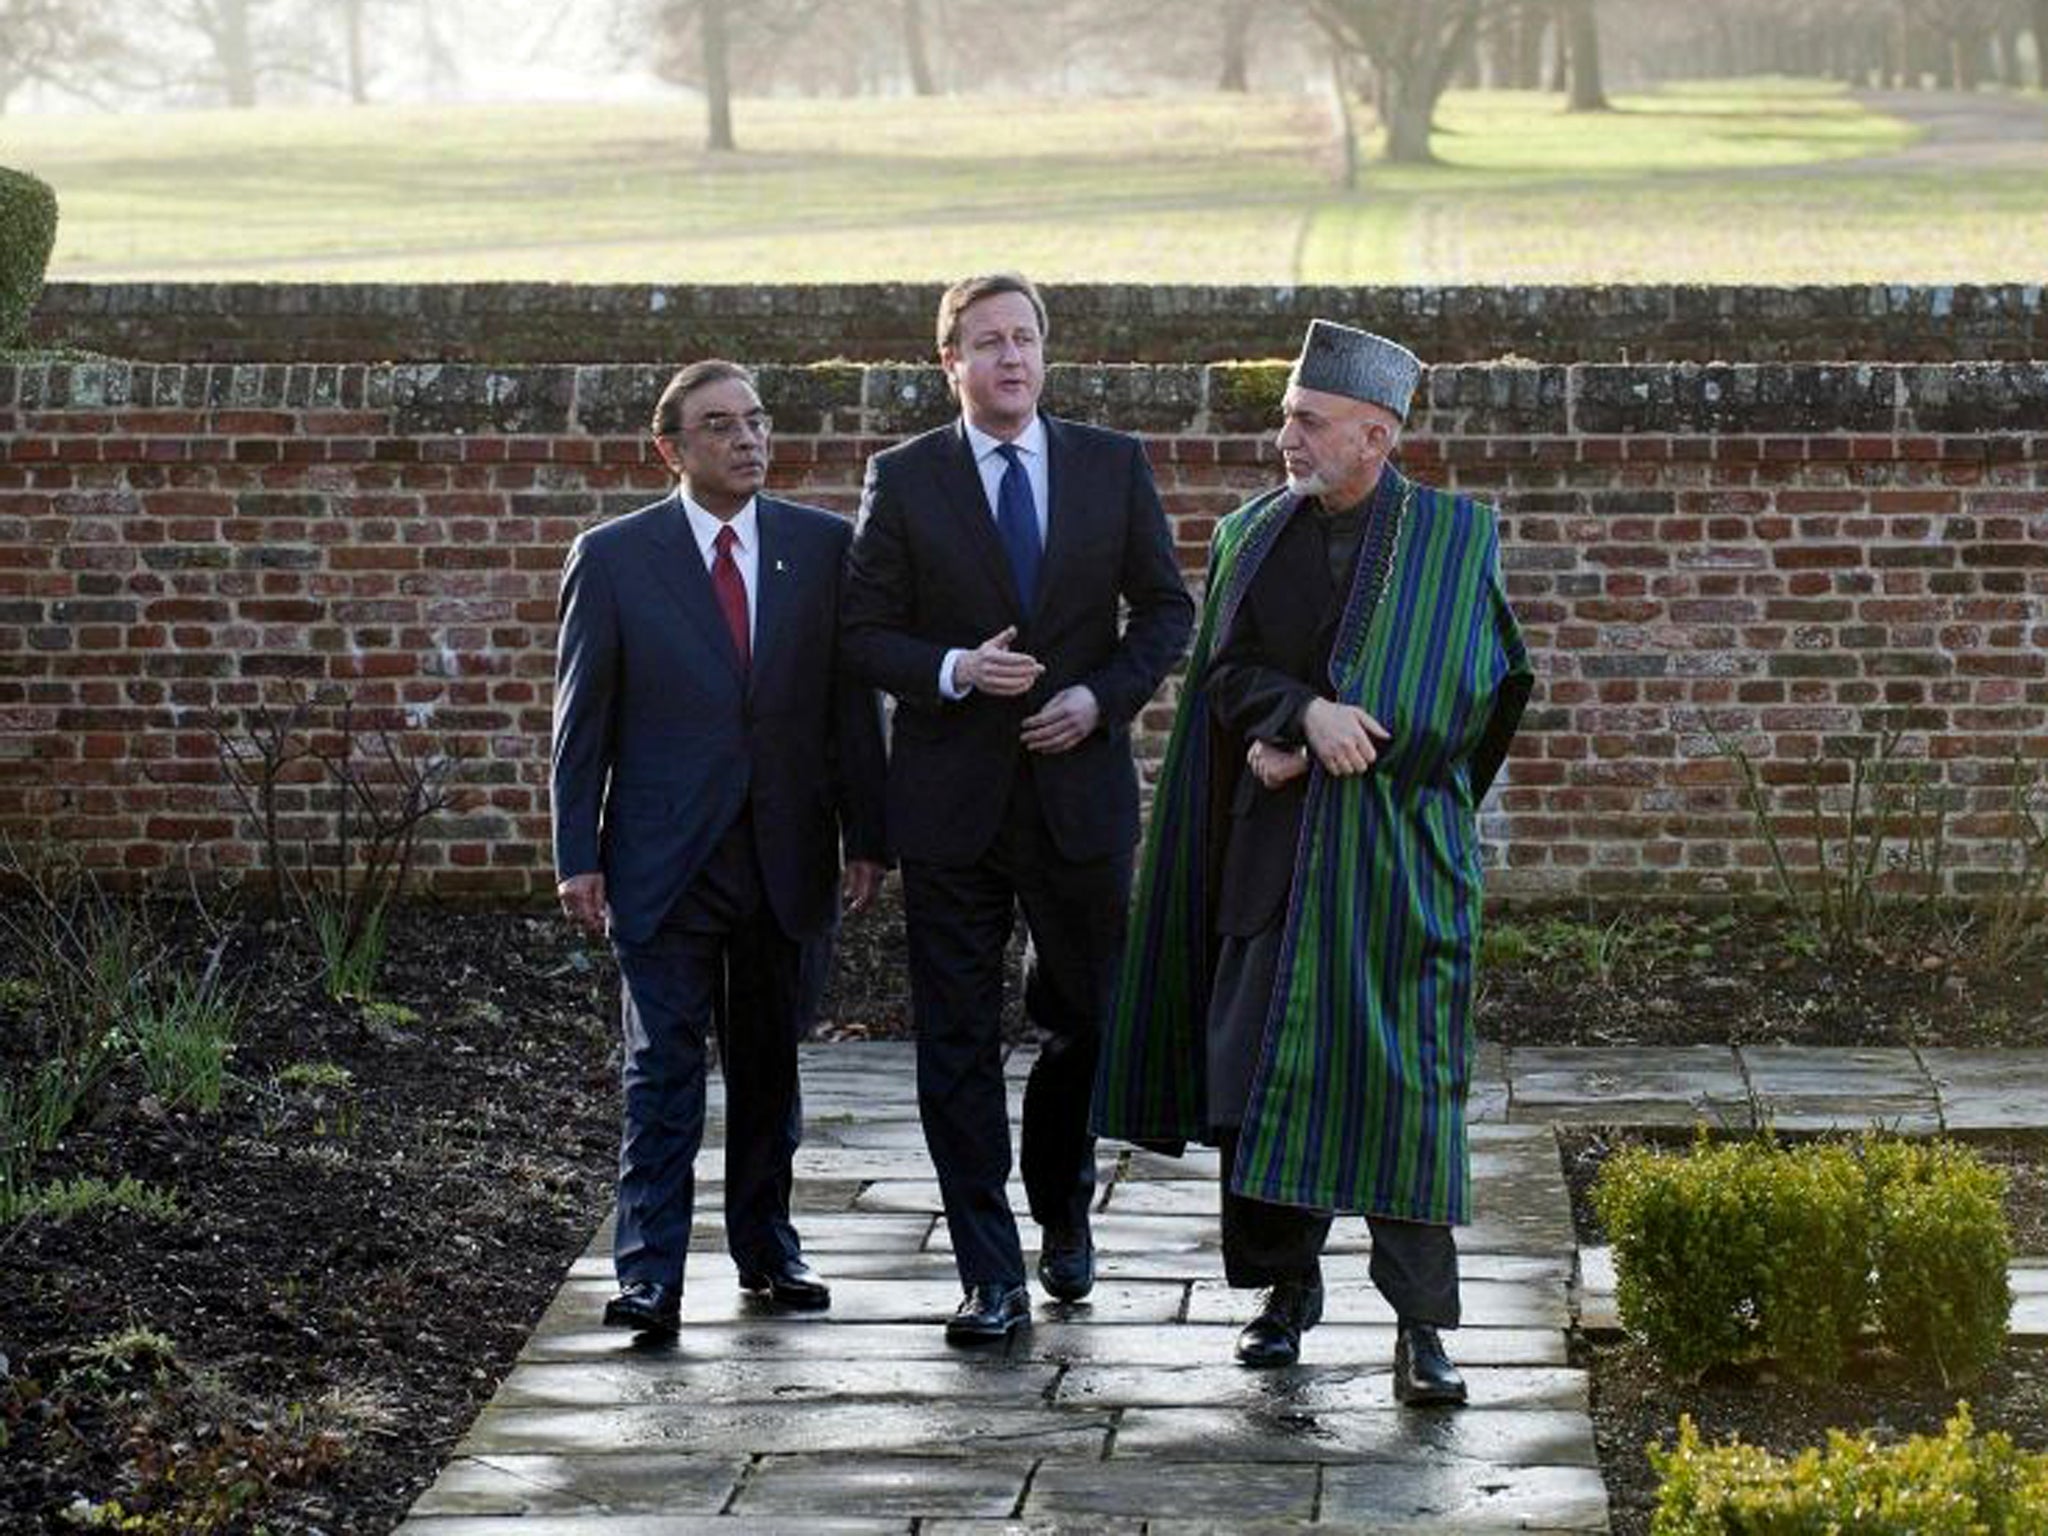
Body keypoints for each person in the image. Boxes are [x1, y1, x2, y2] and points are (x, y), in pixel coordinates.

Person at [1094, 320, 1534, 1402]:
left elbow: (1473, 694)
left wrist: (1340, 740)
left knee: (1401, 1093)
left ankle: (1422, 1329)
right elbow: (1224, 673)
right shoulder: (1251, 532)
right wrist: (1296, 715)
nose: (1281, 434)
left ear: (1373, 434)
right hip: (1267, 865)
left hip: (1388, 871)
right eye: (1287, 414)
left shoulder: (1449, 539)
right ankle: (1281, 1295)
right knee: (1251, 1085)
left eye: (1305, 419)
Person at [841, 273, 1195, 1344]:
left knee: (1086, 1022)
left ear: (1046, 353)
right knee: (952, 1040)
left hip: (1077, 798)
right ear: (948, 362)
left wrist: (1100, 697)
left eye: (1025, 339)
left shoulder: (1107, 464)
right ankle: (988, 1273)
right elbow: (860, 634)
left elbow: (1167, 610)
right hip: (951, 807)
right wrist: (951, 667)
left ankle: (1062, 1208)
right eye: (986, 343)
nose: (1010, 358)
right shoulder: (903, 479)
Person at [551, 359, 887, 1337]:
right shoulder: (615, 556)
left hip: (785, 856)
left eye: (755, 421)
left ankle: (767, 1249)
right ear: (671, 448)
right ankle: (648, 1271)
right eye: (718, 426)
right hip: (663, 860)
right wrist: (578, 850)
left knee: (768, 1068)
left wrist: (867, 833)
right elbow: (582, 718)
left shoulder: (822, 549)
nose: (746, 440)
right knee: (661, 1072)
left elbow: (848, 707)